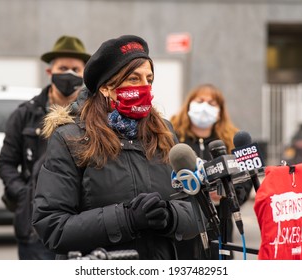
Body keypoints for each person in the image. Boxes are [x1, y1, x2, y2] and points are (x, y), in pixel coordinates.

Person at [31, 35, 200, 260]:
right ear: (106, 88)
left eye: (148, 79)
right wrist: (126, 218)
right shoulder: (70, 138)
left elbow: (197, 212)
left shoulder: (165, 133)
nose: (144, 87)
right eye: (133, 78)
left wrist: (170, 216)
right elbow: (52, 227)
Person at [0, 35, 91, 260]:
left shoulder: (93, 117)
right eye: (63, 67)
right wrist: (24, 194)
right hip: (33, 227)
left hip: (82, 224)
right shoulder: (25, 115)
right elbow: (6, 162)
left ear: (85, 73)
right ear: (50, 72)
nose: (69, 74)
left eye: (76, 69)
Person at [170, 83, 252, 259]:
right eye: (200, 101)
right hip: (183, 227)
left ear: (220, 110)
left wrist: (226, 194)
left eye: (212, 103)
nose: (205, 107)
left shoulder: (230, 141)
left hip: (220, 227)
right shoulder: (171, 138)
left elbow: (245, 182)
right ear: (189, 104)